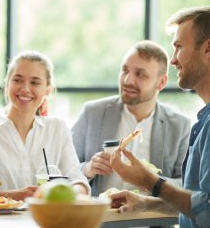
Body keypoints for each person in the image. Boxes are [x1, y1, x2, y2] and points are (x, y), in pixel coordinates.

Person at [110, 7, 210, 228]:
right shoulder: (203, 122)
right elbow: (198, 205)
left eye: (179, 47)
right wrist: (147, 203)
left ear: (208, 49)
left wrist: (149, 181)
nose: (173, 60)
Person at [71, 40, 191, 196]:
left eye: (140, 74)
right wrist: (87, 169)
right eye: (125, 70)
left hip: (151, 219)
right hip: (99, 217)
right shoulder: (92, 113)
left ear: (161, 82)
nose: (127, 80)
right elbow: (65, 169)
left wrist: (151, 181)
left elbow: (186, 183)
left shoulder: (180, 126)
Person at [0, 51, 91, 200]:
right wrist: (11, 195)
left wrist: (63, 194)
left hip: (49, 220)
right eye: (18, 80)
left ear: (48, 89)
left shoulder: (57, 128)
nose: (25, 88)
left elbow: (78, 181)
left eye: (35, 82)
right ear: (7, 83)